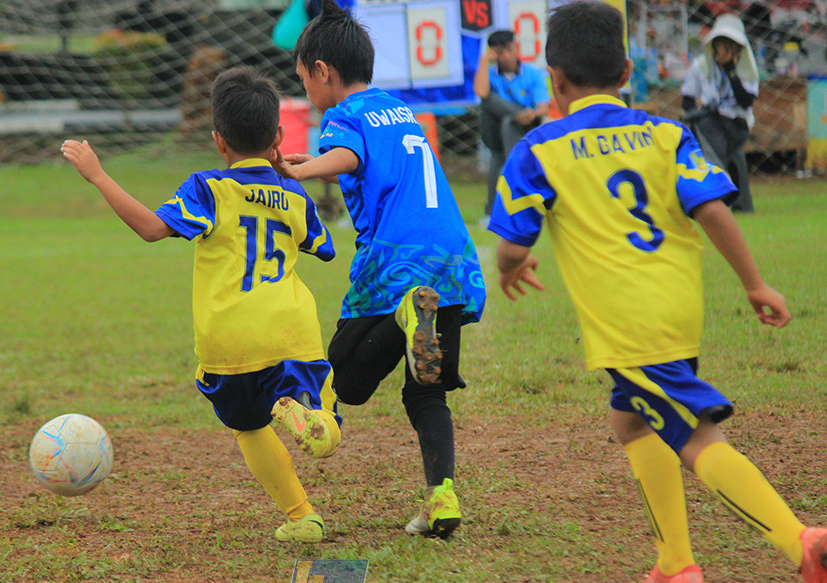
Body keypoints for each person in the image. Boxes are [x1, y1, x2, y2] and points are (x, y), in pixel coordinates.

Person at [488, 0, 827, 583]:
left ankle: (804, 543)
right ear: (625, 71)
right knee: (629, 417)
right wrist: (754, 283)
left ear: (553, 79)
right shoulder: (667, 133)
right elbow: (716, 208)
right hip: (676, 310)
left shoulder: (540, 148)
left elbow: (512, 239)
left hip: (626, 326)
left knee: (695, 438)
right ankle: (676, 567)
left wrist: (510, 264)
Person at [62, 67, 342, 544]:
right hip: (291, 333)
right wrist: (280, 182)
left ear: (218, 140)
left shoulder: (208, 189)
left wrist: (98, 175)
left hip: (228, 341)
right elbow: (324, 246)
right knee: (326, 420)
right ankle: (313, 419)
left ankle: (302, 517)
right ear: (277, 136)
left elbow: (152, 228)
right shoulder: (295, 195)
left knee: (249, 427)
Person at [274, 0, 486, 540]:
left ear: (323, 73)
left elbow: (347, 157)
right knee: (424, 391)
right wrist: (307, 166)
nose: (307, 94)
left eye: (304, 82)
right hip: (453, 262)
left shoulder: (342, 115)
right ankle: (442, 499)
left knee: (343, 377)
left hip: (399, 264)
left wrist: (298, 169)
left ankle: (401, 320)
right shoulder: (398, 107)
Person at [681, 13, 758, 213]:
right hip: (709, 122)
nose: (724, 47)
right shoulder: (701, 66)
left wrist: (731, 70)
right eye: (721, 42)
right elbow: (687, 99)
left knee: (735, 158)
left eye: (729, 43)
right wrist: (696, 116)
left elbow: (746, 101)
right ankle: (718, 199)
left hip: (737, 124)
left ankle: (738, 203)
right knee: (714, 150)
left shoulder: (745, 67)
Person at [472, 29, 550, 224]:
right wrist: (483, 60)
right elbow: (481, 92)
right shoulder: (490, 74)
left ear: (516, 48)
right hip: (498, 131)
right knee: (488, 103)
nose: (505, 56)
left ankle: (491, 213)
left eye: (508, 49)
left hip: (526, 128)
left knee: (502, 142)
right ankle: (494, 213)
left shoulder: (533, 73)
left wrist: (530, 114)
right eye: (499, 52)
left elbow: (543, 108)